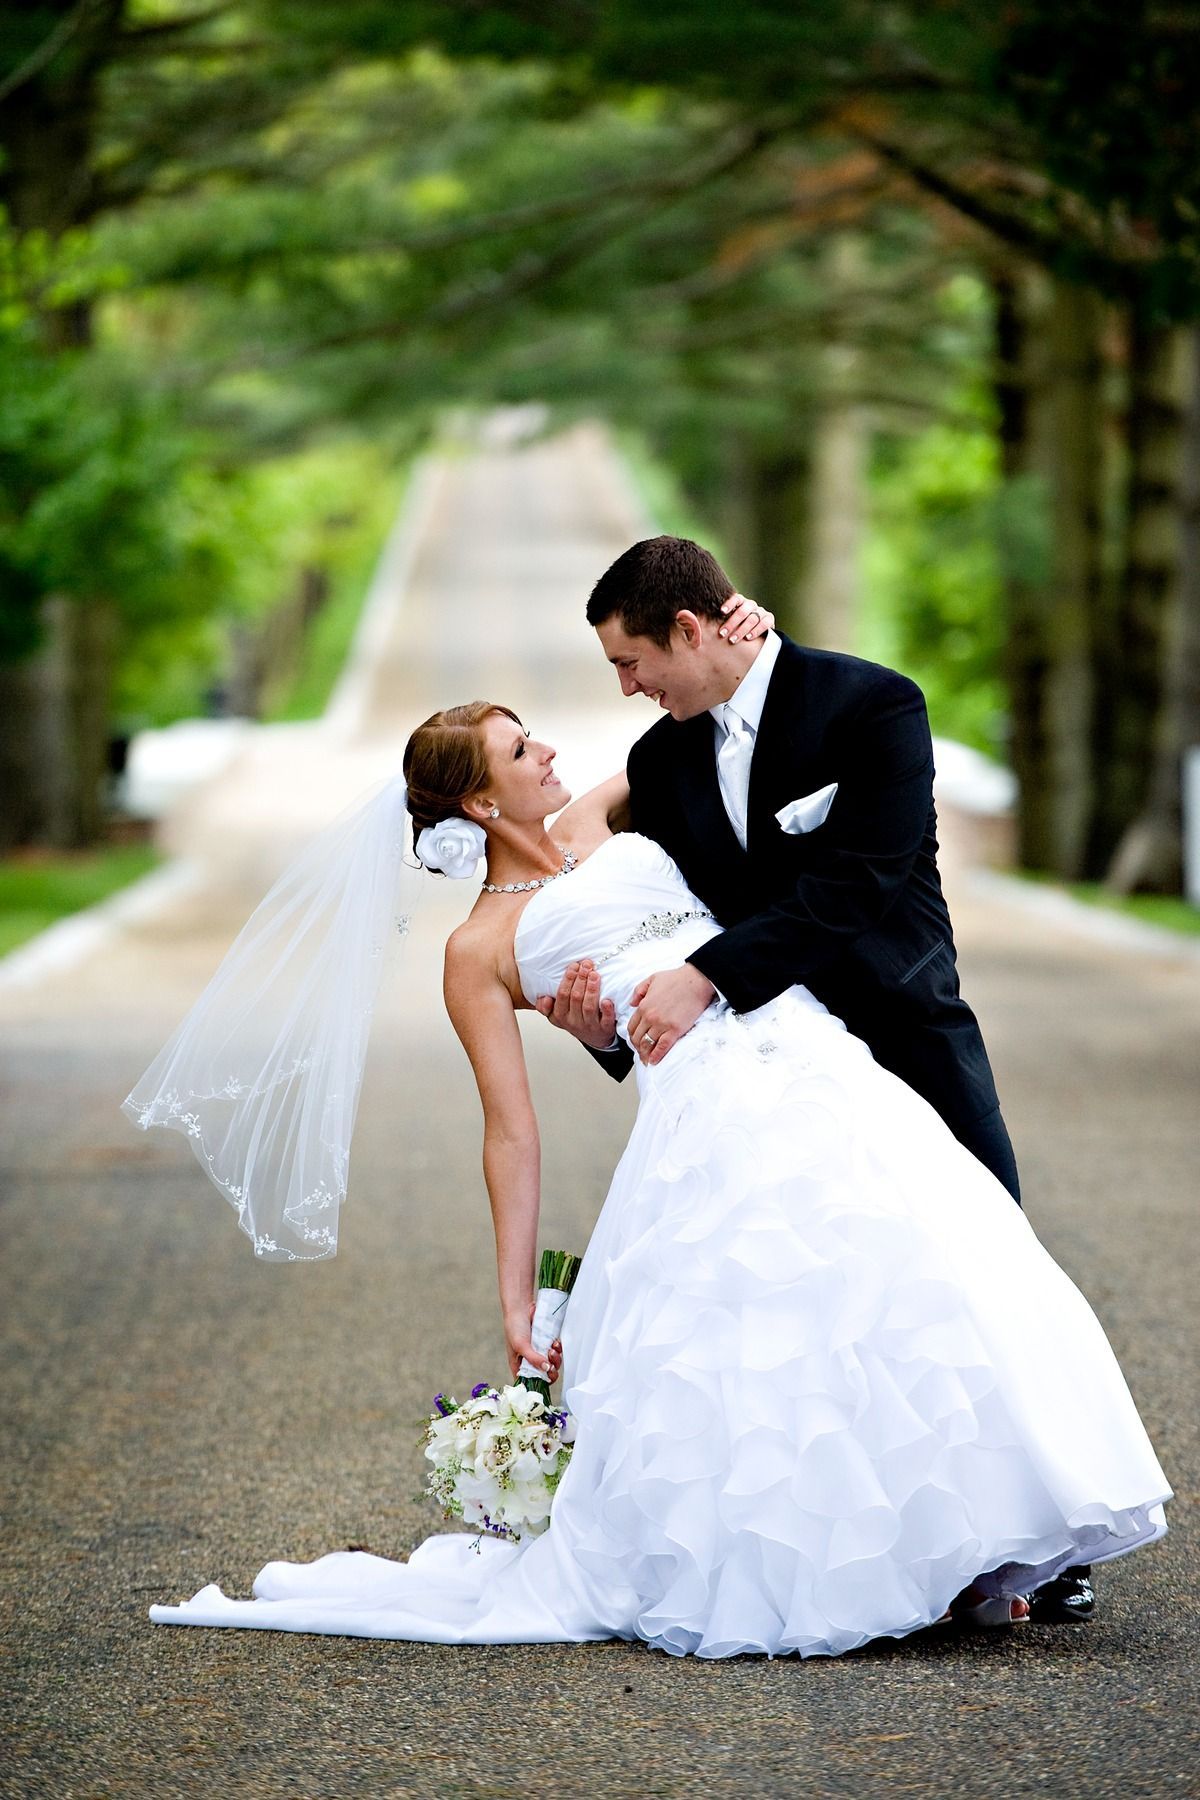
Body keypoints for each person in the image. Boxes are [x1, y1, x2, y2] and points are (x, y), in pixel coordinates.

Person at [146, 695, 1170, 1655]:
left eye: (533, 736)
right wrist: (516, 1298)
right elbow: (510, 1131)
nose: (548, 752)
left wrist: (747, 633)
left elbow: (724, 716)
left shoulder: (601, 819)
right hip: (697, 1115)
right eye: (518, 751)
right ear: (478, 803)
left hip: (811, 1055)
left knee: (917, 1271)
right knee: (761, 1332)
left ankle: (971, 1543)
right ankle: (827, 1564)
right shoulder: (477, 951)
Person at [536, 537, 1089, 1624]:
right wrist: (605, 1026)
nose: (627, 688)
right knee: (825, 1310)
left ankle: (1042, 1543)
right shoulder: (664, 760)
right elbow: (589, 851)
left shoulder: (871, 707)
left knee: (979, 1279)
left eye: (632, 660)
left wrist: (704, 976)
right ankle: (897, 1553)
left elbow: (863, 881)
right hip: (776, 1069)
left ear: (693, 630)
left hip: (904, 1033)